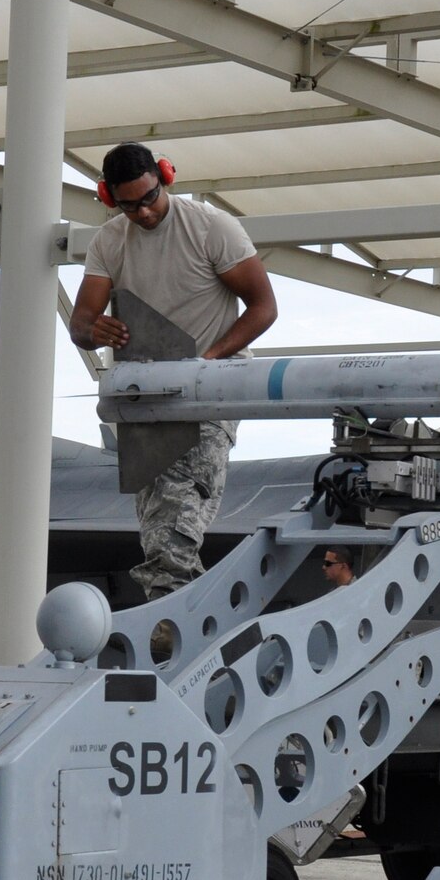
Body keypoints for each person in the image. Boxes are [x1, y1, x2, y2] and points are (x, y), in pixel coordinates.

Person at [70, 143, 279, 605]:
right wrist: (92, 329)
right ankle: (182, 609)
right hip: (146, 395)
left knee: (182, 510)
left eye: (149, 198)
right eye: (129, 205)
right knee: (156, 521)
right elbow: (81, 325)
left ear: (165, 178)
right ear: (109, 198)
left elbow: (263, 308)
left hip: (212, 389)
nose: (143, 212)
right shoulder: (109, 242)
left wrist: (208, 360)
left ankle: (171, 614)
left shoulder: (211, 227)